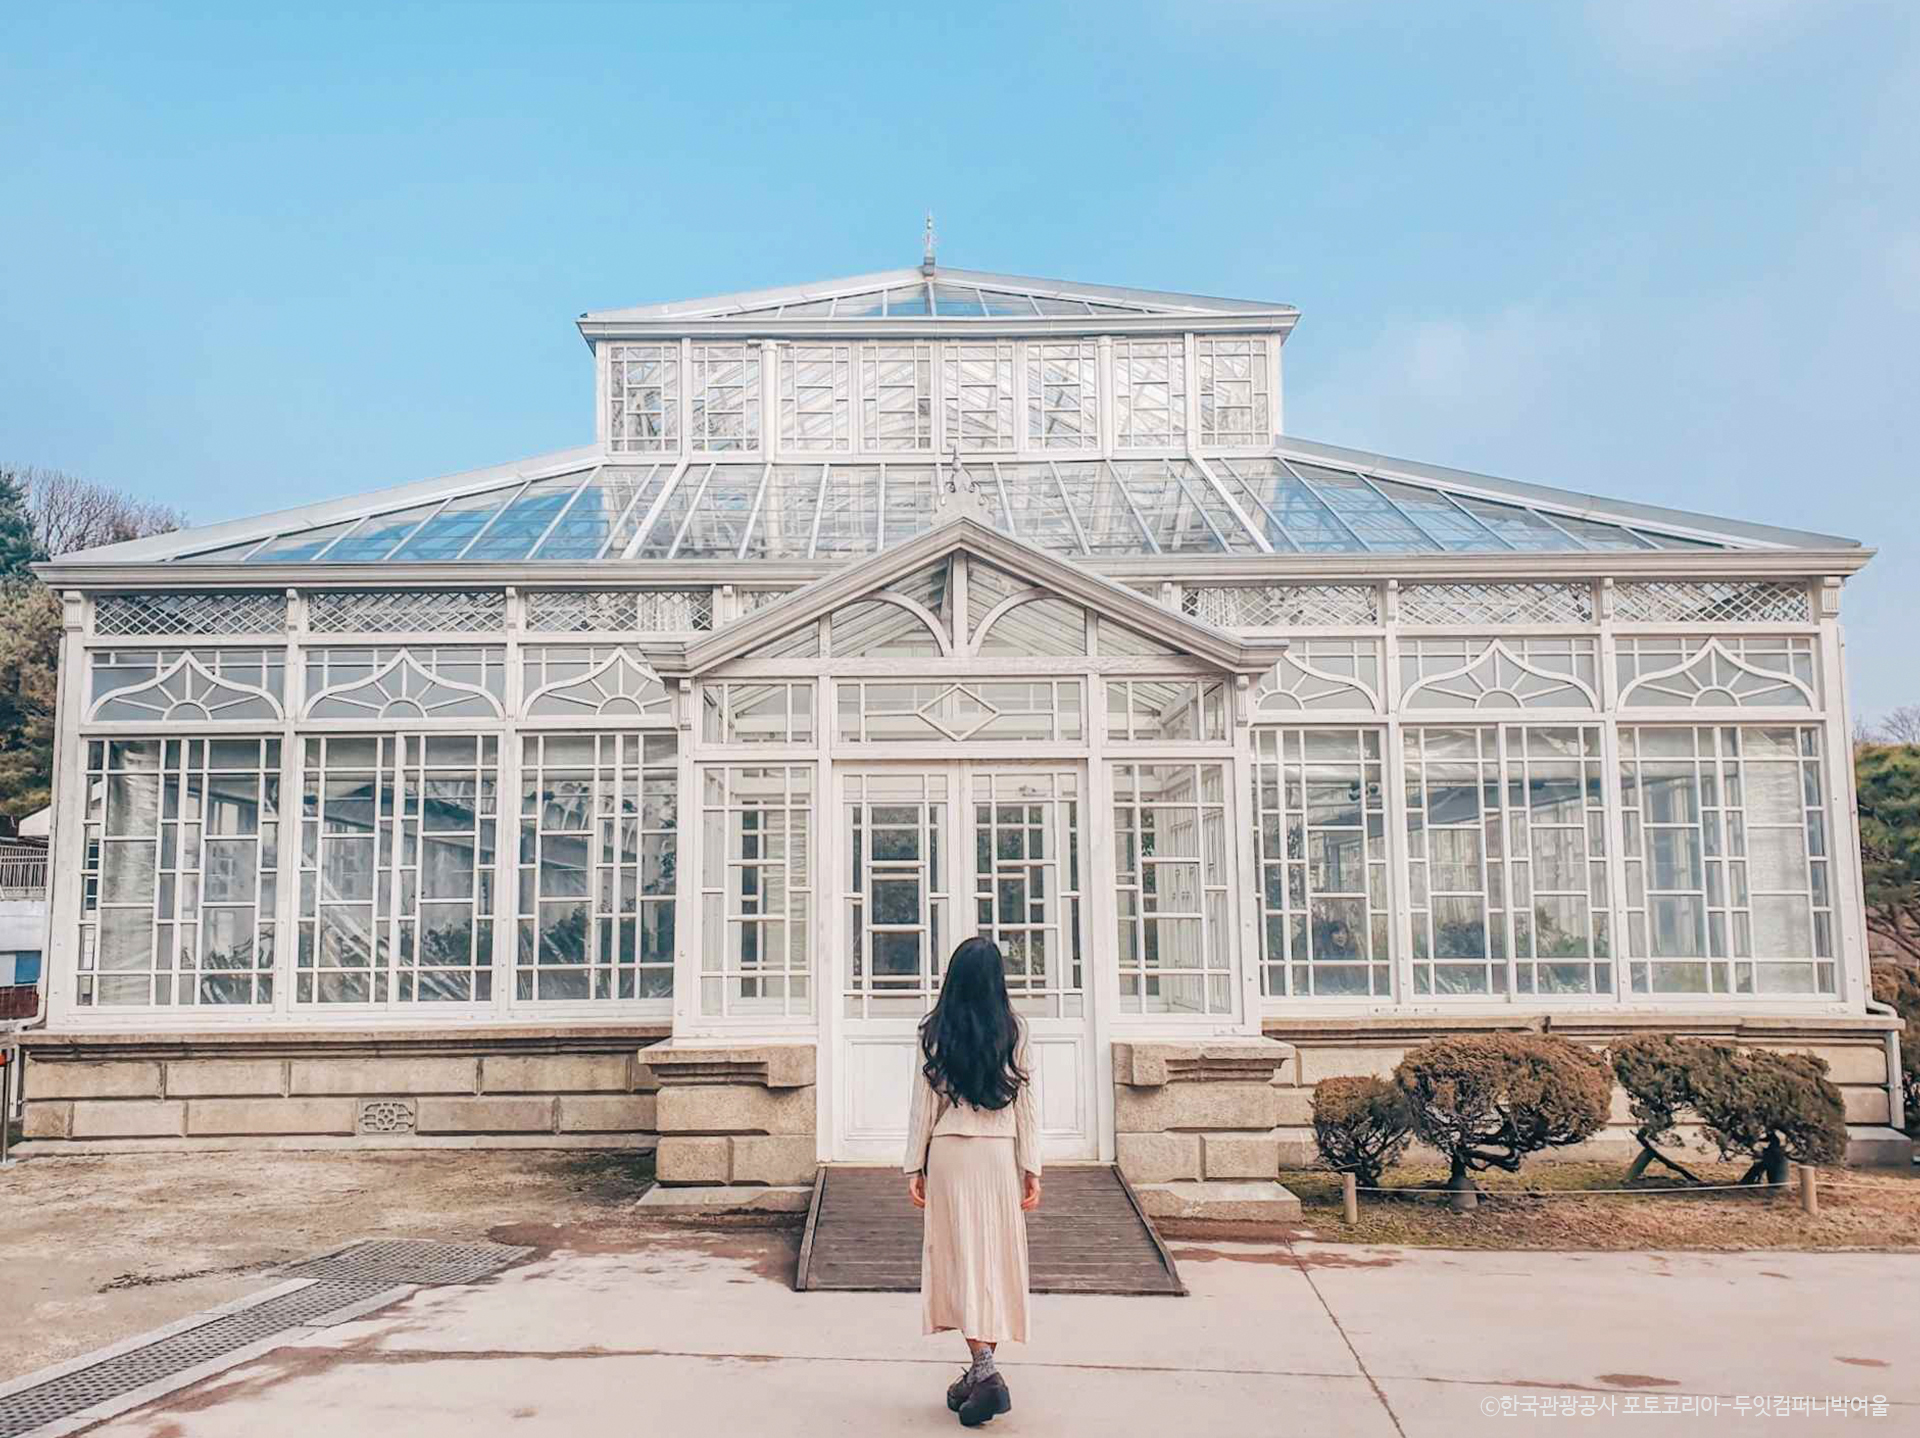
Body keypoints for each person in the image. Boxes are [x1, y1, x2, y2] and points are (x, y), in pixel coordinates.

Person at [904, 936, 1042, 1427]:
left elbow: (925, 1106)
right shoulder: (1015, 1029)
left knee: (960, 1259)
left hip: (950, 1156)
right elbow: (1026, 1103)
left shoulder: (935, 1029)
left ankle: (984, 1374)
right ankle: (980, 1373)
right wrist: (1031, 1166)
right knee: (994, 1259)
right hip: (998, 1156)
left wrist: (914, 1165)